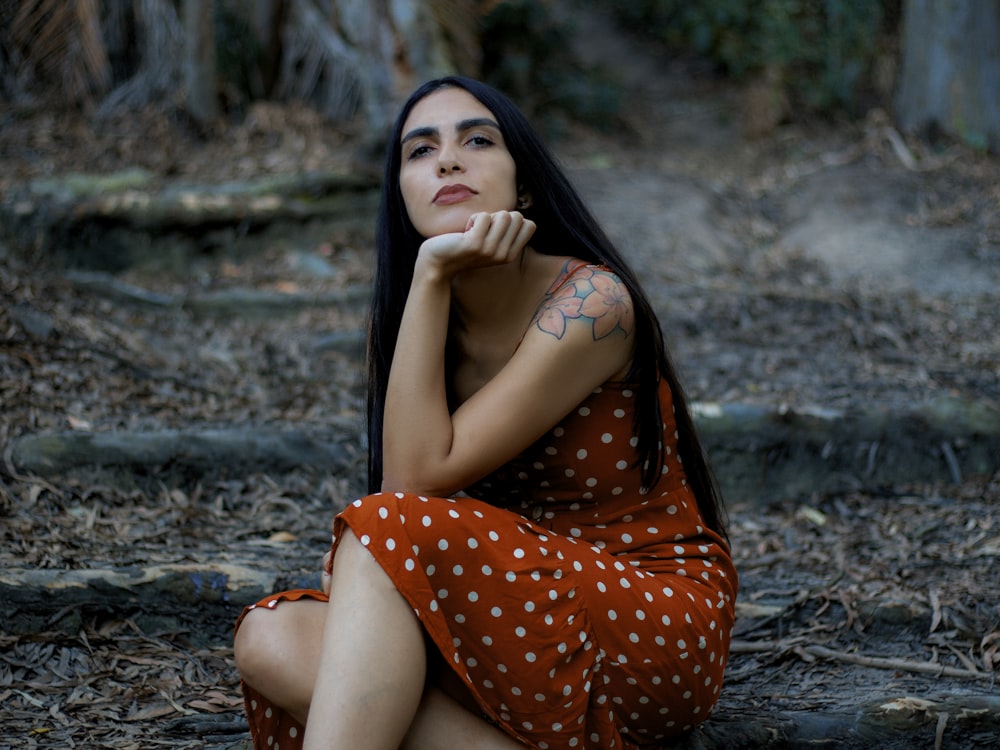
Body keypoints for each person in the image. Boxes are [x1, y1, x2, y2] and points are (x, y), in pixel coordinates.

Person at [233, 75, 737, 750]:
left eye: (476, 140)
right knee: (271, 637)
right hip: (515, 611)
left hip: (647, 619)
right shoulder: (421, 325)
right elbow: (409, 499)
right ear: (402, 195)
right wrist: (430, 282)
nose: (447, 160)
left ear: (523, 187)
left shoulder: (593, 303)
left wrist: (433, 272)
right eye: (420, 151)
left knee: (380, 532)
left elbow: (409, 486)